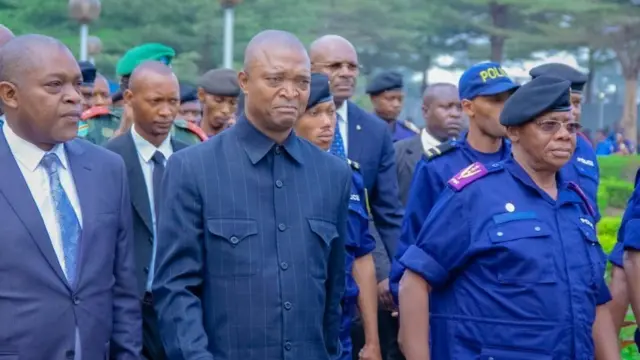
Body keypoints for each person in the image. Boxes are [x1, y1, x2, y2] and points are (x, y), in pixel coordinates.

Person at [153, 30, 350, 360]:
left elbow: (332, 292)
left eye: (302, 82)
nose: (290, 92)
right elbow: (176, 289)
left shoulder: (332, 174)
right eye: (275, 79)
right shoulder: (193, 168)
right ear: (244, 82)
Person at [397, 75, 619, 359]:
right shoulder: (475, 195)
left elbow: (595, 300)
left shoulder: (576, 204)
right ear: (513, 132)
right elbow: (414, 282)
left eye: (571, 126)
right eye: (548, 125)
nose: (564, 135)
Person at [0, 34, 141, 359]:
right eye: (54, 86)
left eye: (77, 85)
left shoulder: (107, 169)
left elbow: (122, 288)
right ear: (10, 94)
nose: (74, 98)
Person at [390, 62, 518, 303]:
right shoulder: (439, 167)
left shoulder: (522, 162)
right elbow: (414, 237)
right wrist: (403, 298)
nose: (505, 108)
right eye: (494, 100)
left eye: (508, 99)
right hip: (456, 302)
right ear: (468, 107)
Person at [310, 35, 404, 360]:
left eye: (352, 66)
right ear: (309, 71)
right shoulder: (288, 124)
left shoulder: (375, 130)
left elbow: (387, 211)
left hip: (360, 260)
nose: (347, 72)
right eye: (335, 66)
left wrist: (392, 272)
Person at [294, 72, 381, 360]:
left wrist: (372, 341)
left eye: (330, 112)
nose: (327, 123)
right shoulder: (274, 176)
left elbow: (362, 256)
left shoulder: (349, 176)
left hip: (339, 333)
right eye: (314, 113)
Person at [105, 61, 188, 360]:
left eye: (173, 102)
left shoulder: (193, 160)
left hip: (182, 308)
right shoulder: (106, 161)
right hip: (127, 308)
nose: (166, 112)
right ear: (128, 99)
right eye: (156, 102)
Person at [394, 83, 463, 206]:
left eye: (459, 108)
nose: (455, 114)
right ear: (426, 111)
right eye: (447, 107)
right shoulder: (398, 153)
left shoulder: (470, 154)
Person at [366, 70, 419, 142]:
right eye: (390, 99)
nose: (396, 104)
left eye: (400, 99)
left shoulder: (409, 133)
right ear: (374, 99)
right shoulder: (360, 130)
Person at [197, 68, 241, 137]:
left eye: (233, 103)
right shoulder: (186, 137)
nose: (226, 110)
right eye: (218, 100)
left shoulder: (238, 139)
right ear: (201, 95)